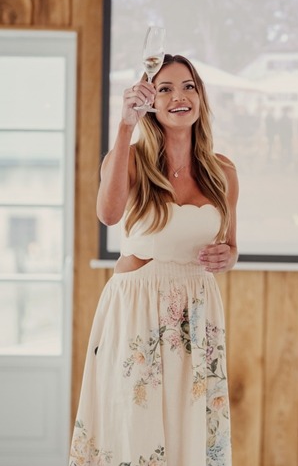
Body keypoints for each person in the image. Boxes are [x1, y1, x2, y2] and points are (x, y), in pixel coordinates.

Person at [69, 54, 239, 466]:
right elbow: (107, 215)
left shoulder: (223, 171)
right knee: (135, 422)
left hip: (197, 312)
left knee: (188, 425)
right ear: (150, 100)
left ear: (200, 96)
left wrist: (227, 256)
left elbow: (231, 246)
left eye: (188, 86)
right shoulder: (129, 160)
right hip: (136, 309)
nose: (179, 97)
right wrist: (125, 126)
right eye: (165, 88)